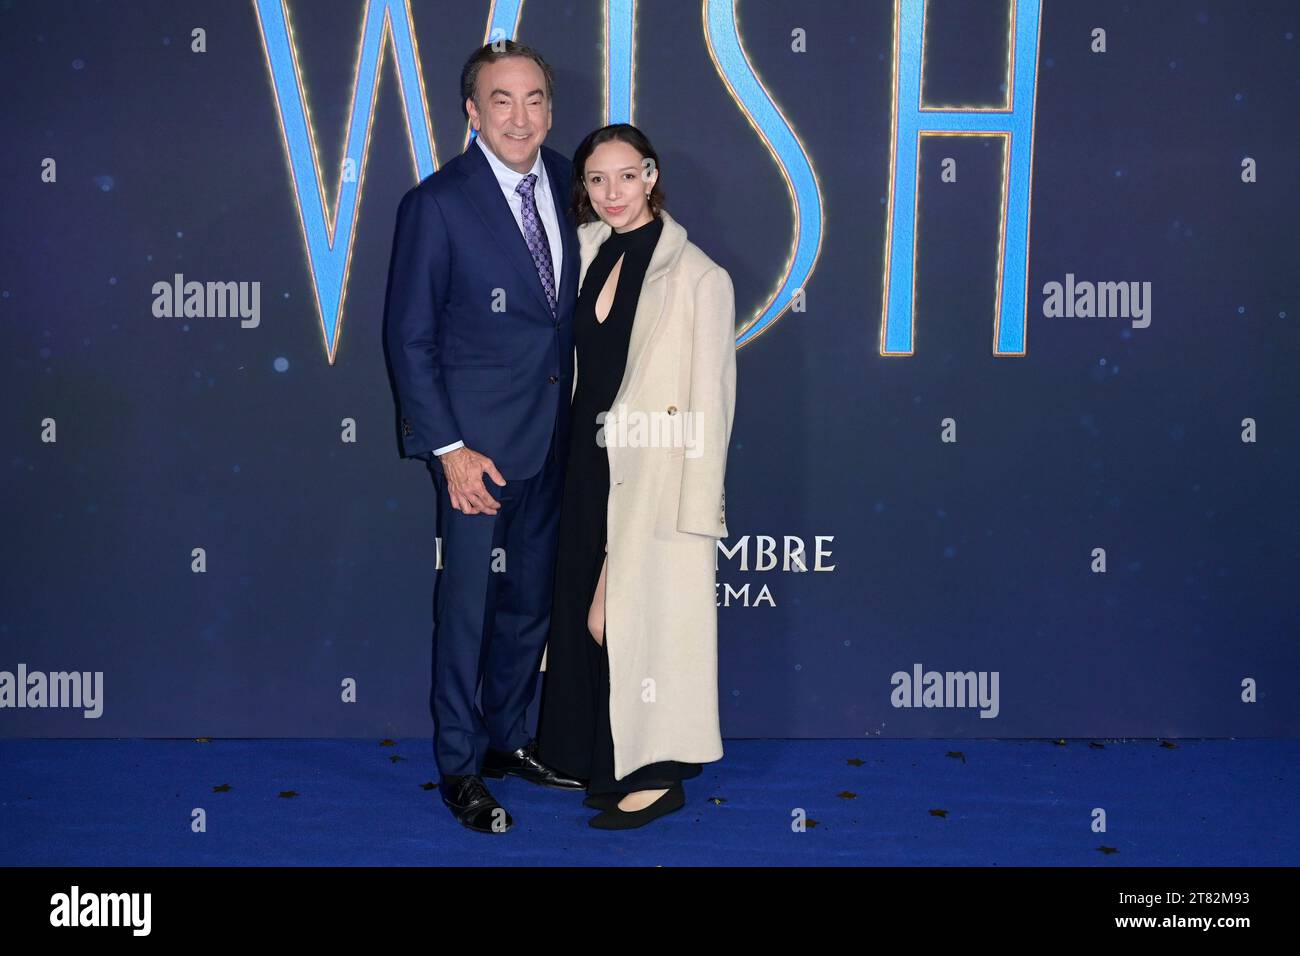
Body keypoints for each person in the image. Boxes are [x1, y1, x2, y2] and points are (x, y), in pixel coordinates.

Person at [382, 41, 585, 835]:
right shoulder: (436, 203)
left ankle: (508, 739)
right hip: (476, 453)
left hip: (556, 437)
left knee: (529, 604)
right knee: (467, 611)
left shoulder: (574, 180)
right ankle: (460, 767)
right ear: (471, 111)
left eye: (534, 98)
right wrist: (448, 449)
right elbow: (409, 338)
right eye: (501, 100)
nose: (520, 115)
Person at [535, 124, 737, 829]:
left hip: (653, 470)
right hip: (587, 467)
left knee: (624, 619)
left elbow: (712, 402)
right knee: (588, 616)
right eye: (597, 179)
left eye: (627, 175)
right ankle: (604, 762)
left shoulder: (699, 277)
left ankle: (659, 774)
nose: (612, 192)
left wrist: (697, 503)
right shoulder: (587, 251)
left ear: (652, 176)